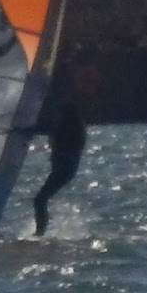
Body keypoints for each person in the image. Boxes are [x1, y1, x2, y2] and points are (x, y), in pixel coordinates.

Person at [32, 100, 88, 235]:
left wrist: (28, 129)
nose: (58, 115)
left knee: (40, 200)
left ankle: (40, 233)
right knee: (40, 200)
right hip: (65, 169)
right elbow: (52, 132)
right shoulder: (73, 126)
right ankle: (40, 232)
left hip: (64, 170)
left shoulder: (72, 128)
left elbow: (53, 132)